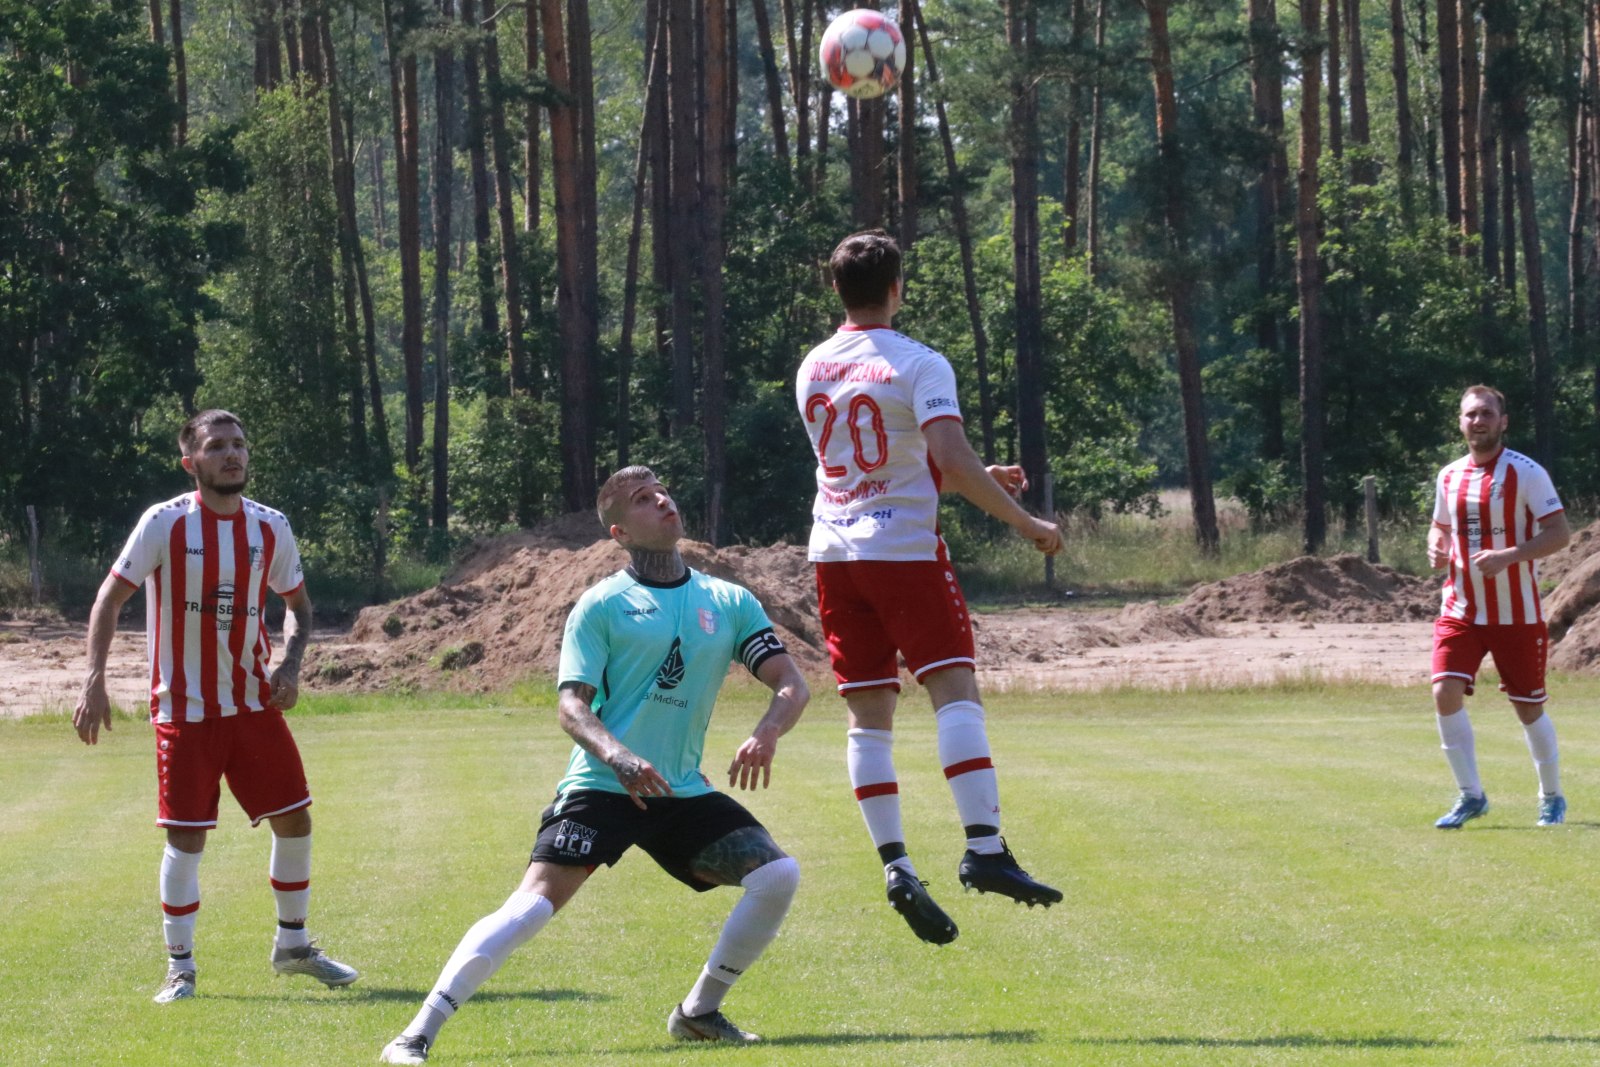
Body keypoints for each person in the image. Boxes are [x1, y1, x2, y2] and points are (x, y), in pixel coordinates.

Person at [379, 466, 809, 1064]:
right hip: (605, 786)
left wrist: (766, 733)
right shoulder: (602, 604)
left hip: (679, 791)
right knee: (529, 908)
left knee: (776, 876)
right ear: (619, 532)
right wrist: (619, 755)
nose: (661, 501)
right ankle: (415, 1034)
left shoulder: (729, 600)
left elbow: (791, 682)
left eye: (663, 492)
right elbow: (571, 706)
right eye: (642, 499)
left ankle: (699, 1013)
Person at [794, 229, 1064, 947]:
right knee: (954, 693)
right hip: (906, 552)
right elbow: (939, 450)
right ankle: (984, 846)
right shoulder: (919, 362)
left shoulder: (813, 365)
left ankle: (896, 862)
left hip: (834, 553)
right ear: (898, 287)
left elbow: (880, 452)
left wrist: (981, 471)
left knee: (868, 718)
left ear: (836, 290)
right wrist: (1026, 521)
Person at [74, 409, 359, 1003]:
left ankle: (293, 945)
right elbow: (109, 598)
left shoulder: (271, 527)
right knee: (186, 839)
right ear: (191, 462)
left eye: (239, 444)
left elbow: (299, 608)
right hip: (184, 709)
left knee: (296, 818)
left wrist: (290, 663)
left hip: (254, 705)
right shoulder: (165, 523)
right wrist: (93, 678)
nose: (233, 455)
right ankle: (181, 970)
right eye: (217, 446)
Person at [1427, 385, 1572, 829]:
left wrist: (1508, 556)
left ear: (1503, 422)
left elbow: (1560, 534)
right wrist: (1435, 546)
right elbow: (1440, 528)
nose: (1479, 421)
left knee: (1528, 707)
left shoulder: (1527, 473)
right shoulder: (1449, 475)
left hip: (1517, 613)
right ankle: (1471, 796)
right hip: (1462, 610)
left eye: (1487, 413)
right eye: (1471, 414)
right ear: (1460, 421)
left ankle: (1552, 796)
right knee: (1443, 691)